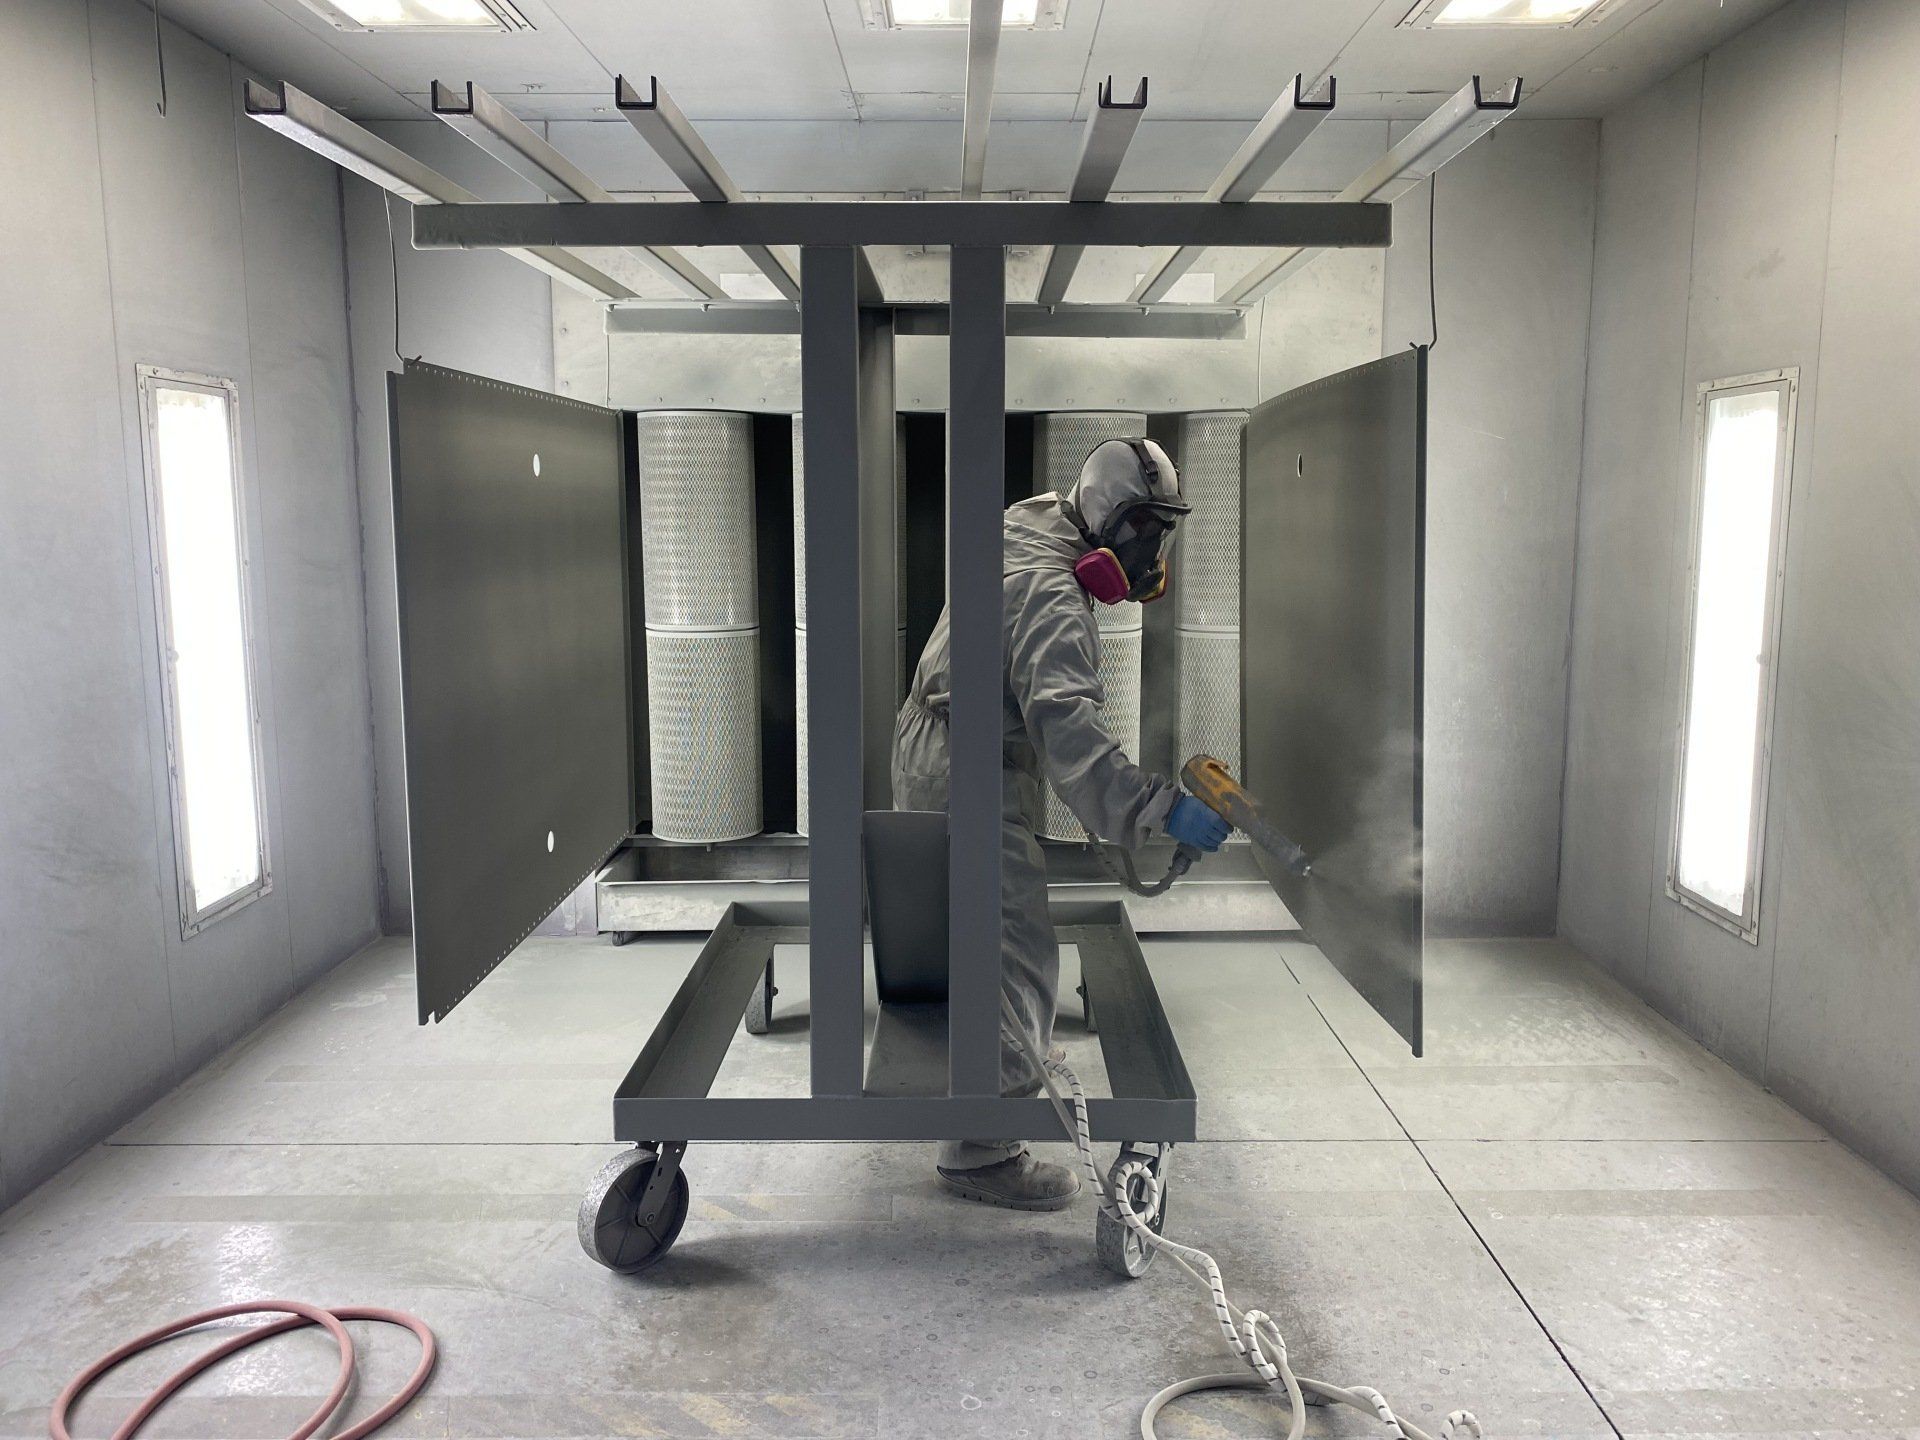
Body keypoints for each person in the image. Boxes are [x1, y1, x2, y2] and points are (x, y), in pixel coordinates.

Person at [890, 436, 1232, 1210]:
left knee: (982, 924)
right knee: (1016, 943)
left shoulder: (1031, 522)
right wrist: (1160, 809)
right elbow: (1070, 736)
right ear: (1110, 521)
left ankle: (987, 1058)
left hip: (940, 744)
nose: (1152, 551)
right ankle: (981, 1148)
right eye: (1146, 531)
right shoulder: (1052, 597)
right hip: (966, 767)